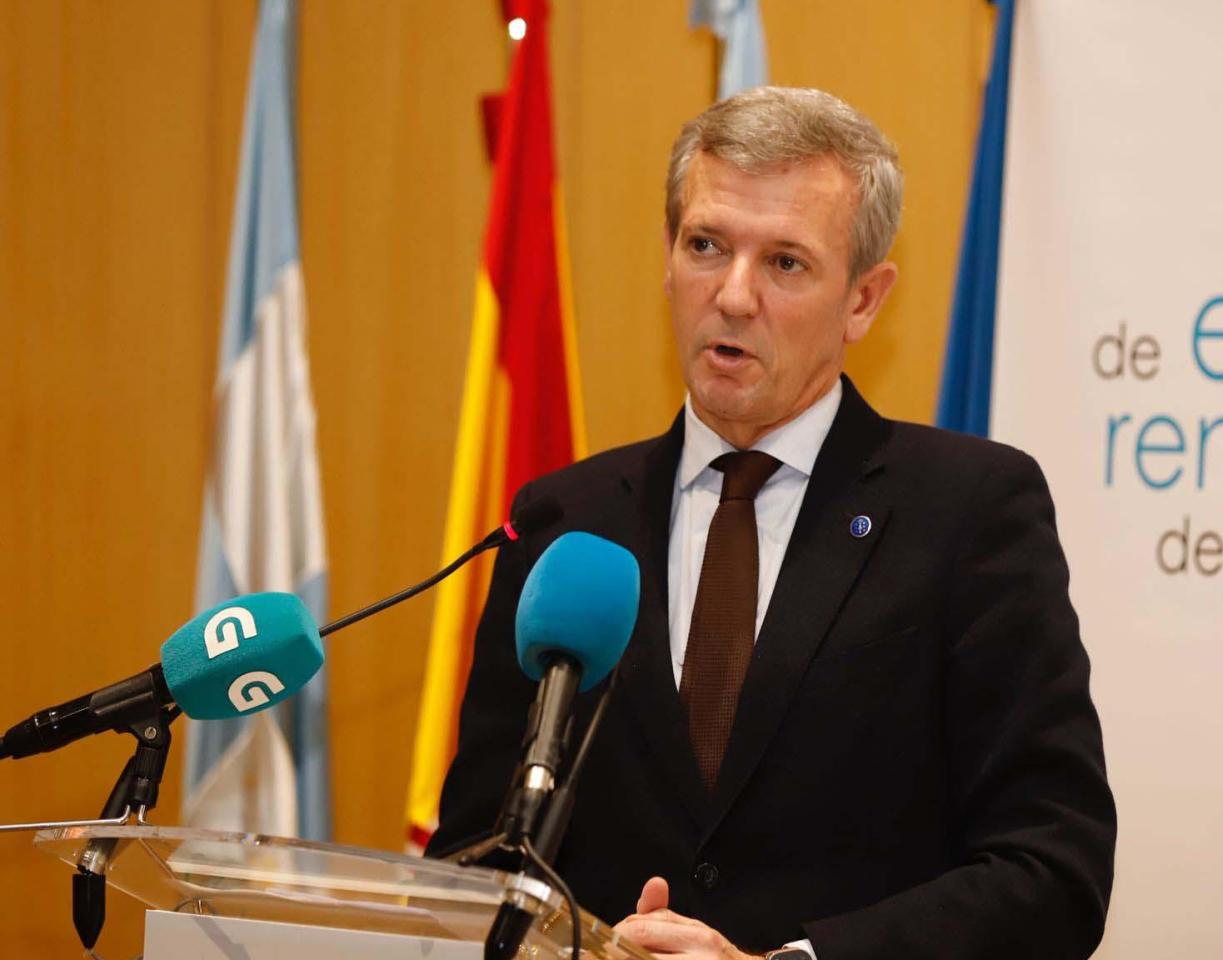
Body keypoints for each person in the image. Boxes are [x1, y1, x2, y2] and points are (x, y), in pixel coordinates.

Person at [429, 86, 1116, 960]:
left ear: (864, 300)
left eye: (786, 262)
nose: (733, 295)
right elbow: (474, 861)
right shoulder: (565, 522)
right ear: (667, 258)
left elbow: (1055, 870)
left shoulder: (972, 512)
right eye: (706, 245)